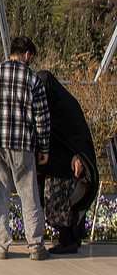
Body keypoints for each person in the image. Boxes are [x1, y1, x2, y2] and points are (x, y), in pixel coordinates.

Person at [0, 36, 51, 261]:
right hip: (22, 144)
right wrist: (43, 146)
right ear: (27, 54)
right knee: (29, 195)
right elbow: (42, 118)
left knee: (0, 193)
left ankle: (0, 245)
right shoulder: (33, 79)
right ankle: (35, 245)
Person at [35, 71, 98, 255]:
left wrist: (79, 158)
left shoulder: (67, 108)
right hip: (56, 165)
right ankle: (69, 240)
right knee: (58, 203)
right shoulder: (55, 106)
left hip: (69, 167)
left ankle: (68, 241)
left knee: (64, 203)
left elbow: (78, 137)